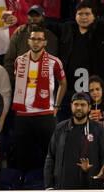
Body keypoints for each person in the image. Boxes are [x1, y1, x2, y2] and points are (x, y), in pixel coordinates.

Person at [10, 27, 66, 172]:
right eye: (33, 39)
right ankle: (22, 183)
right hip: (23, 114)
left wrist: (57, 106)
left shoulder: (55, 62)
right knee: (22, 153)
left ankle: (50, 182)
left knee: (49, 152)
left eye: (39, 39)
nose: (36, 42)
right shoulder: (19, 61)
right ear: (28, 41)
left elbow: (63, 83)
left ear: (45, 42)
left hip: (45, 113)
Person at [45, 92, 104, 189]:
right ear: (71, 106)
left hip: (91, 191)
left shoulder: (99, 130)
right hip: (63, 189)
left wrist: (100, 182)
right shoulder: (60, 129)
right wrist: (49, 186)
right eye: (76, 104)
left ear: (89, 107)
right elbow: (50, 157)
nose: (79, 108)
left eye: (83, 105)